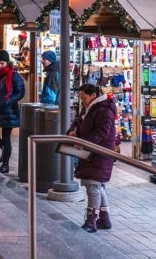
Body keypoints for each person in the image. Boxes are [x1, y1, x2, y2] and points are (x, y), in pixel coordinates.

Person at [68, 83, 116, 233]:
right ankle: (104, 218)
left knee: (94, 186)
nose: (82, 101)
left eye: (84, 98)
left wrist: (84, 143)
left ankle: (91, 221)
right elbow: (77, 122)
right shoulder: (89, 108)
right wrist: (72, 132)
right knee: (97, 185)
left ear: (93, 95)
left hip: (100, 153)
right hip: (92, 153)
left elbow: (102, 132)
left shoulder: (103, 110)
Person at [0, 49, 25, 174]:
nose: (0, 65)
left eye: (2, 63)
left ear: (7, 63)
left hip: (9, 111)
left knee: (6, 137)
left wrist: (9, 101)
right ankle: (4, 149)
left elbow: (20, 92)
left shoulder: (14, 75)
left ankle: (5, 165)